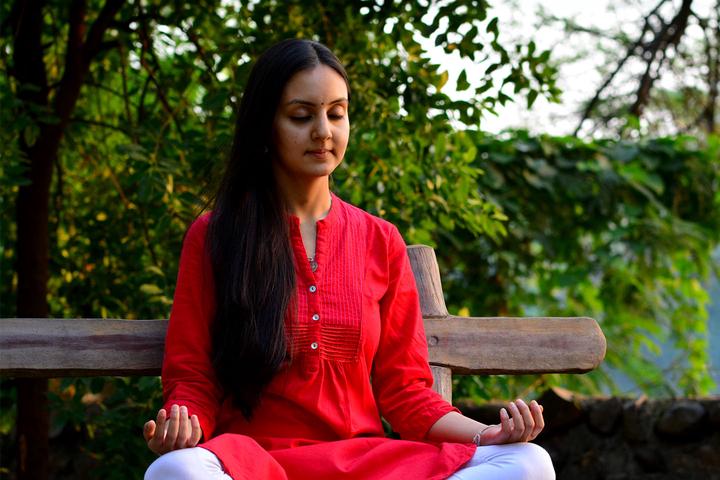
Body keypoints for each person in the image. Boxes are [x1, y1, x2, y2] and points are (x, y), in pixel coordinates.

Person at [143, 38, 555, 480]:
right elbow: (193, 376)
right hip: (252, 464)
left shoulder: (381, 240)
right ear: (266, 125)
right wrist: (182, 426)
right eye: (302, 116)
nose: (324, 131)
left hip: (366, 464)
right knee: (175, 470)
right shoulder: (215, 236)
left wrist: (486, 434)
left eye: (337, 113)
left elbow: (406, 393)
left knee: (529, 463)